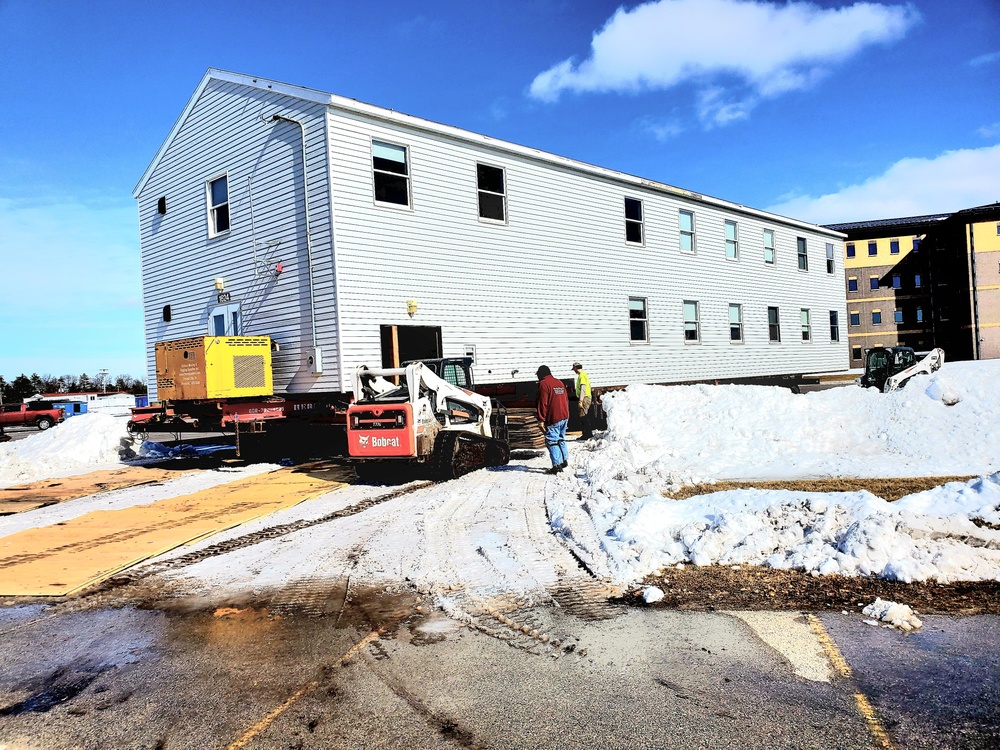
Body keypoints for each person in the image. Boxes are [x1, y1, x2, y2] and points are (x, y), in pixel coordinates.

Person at [536, 365, 569, 474]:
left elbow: (543, 403)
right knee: (560, 438)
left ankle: (556, 466)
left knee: (551, 441)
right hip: (564, 415)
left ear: (541, 374)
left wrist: (541, 419)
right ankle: (564, 460)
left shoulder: (544, 384)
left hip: (554, 417)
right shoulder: (559, 382)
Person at [572, 362, 593, 439]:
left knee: (583, 416)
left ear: (575, 368)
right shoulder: (583, 375)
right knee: (583, 415)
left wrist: (581, 400)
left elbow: (583, 388)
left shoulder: (582, 375)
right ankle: (587, 433)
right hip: (585, 397)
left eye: (574, 369)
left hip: (585, 398)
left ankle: (587, 434)